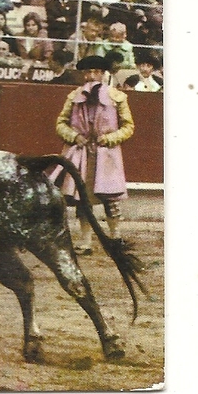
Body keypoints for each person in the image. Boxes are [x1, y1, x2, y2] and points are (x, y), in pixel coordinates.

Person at [53, 55, 135, 253]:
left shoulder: (117, 97)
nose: (91, 76)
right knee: (83, 199)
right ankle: (85, 242)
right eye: (88, 72)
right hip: (81, 152)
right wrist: (74, 136)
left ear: (102, 73)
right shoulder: (74, 97)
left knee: (110, 199)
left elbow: (128, 127)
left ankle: (115, 239)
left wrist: (109, 139)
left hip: (106, 153)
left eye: (95, 72)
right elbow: (60, 124)